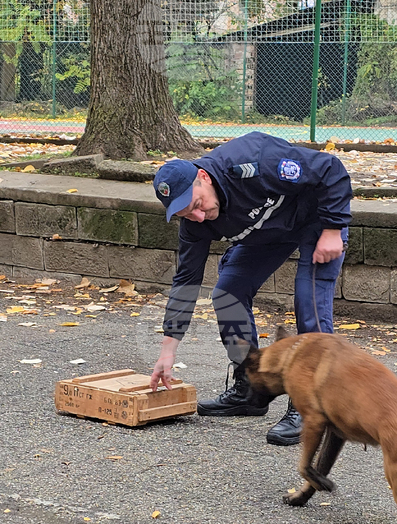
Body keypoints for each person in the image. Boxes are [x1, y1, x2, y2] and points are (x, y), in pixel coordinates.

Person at [149, 131, 351, 446]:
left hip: (317, 218)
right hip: (269, 232)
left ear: (203, 177)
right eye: (186, 213)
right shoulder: (194, 222)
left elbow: (330, 169)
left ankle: (310, 401)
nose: (198, 216)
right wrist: (167, 351)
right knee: (227, 293)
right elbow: (186, 281)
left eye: (197, 204)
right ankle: (250, 387)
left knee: (308, 300)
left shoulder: (254, 160)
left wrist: (333, 228)